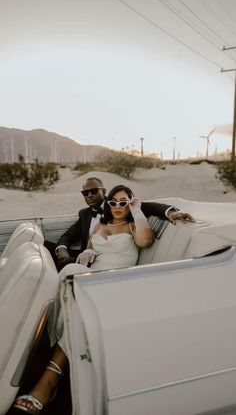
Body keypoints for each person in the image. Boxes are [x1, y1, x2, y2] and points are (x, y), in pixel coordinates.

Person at [14, 185, 155, 413]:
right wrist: (88, 253)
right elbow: (89, 250)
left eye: (124, 202)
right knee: (70, 270)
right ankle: (41, 347)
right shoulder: (100, 225)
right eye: (113, 202)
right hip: (90, 274)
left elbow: (145, 241)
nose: (118, 207)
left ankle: (50, 377)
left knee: (74, 284)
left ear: (130, 203)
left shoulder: (133, 224)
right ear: (107, 204)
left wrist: (137, 210)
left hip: (115, 281)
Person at [45, 176, 195, 270]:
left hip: (111, 270)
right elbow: (70, 234)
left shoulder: (129, 216)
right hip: (88, 260)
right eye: (85, 193)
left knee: (67, 269)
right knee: (48, 248)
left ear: (104, 191)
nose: (89, 195)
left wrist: (172, 212)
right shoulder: (86, 215)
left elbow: (152, 208)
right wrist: (63, 251)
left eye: (93, 191)